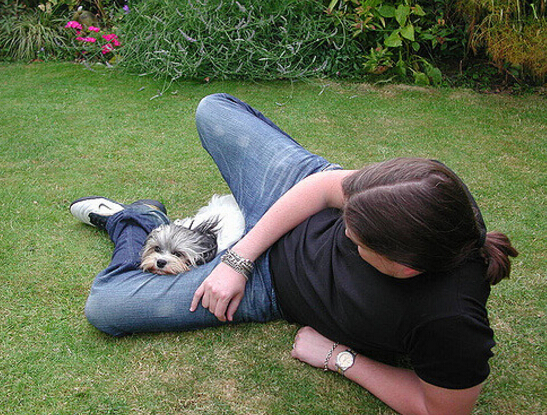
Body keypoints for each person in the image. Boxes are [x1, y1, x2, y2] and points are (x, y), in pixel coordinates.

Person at [70, 93, 518, 415]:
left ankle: (135, 221)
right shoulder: (428, 192)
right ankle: (208, 226)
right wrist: (238, 259)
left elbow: (440, 408)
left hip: (274, 285)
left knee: (106, 307)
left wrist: (340, 358)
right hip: (290, 195)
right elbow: (324, 187)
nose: (345, 234)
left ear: (404, 267)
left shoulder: (450, 321)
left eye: (357, 240)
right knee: (214, 110)